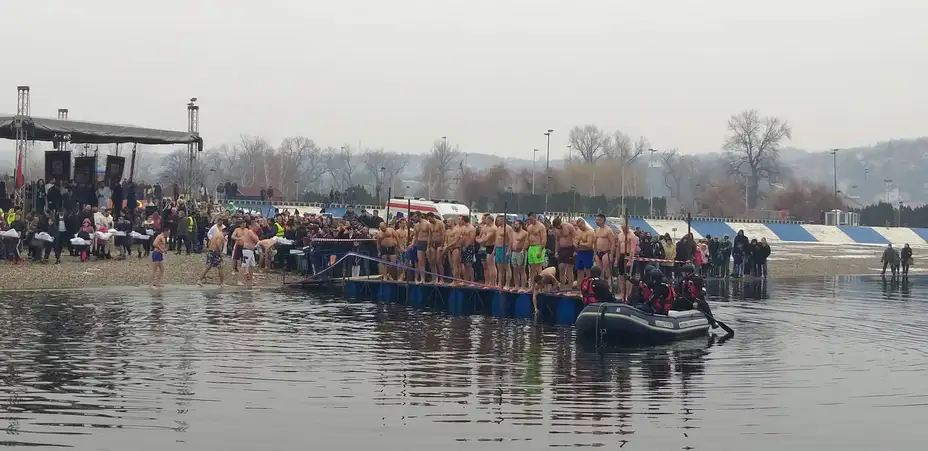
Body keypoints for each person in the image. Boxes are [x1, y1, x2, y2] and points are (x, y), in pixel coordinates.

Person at [674, 263, 718, 328]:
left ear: (688, 272)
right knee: (674, 303)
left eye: (684, 272)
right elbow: (678, 291)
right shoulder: (683, 280)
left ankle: (713, 322)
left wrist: (696, 300)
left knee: (703, 304)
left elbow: (703, 291)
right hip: (686, 301)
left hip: (695, 301)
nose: (682, 273)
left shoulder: (698, 279)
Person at [552, 217, 577, 287]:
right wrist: (556, 251)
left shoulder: (569, 226)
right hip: (562, 249)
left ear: (560, 223)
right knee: (561, 268)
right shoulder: (556, 230)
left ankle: (570, 287)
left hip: (570, 248)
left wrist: (575, 250)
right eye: (556, 227)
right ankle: (562, 287)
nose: (558, 228)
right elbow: (557, 241)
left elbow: (575, 238)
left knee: (569, 269)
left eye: (558, 226)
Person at [525, 213, 546, 283]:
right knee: (532, 268)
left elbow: (544, 239)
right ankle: (532, 286)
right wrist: (524, 249)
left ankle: (541, 285)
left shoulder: (541, 226)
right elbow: (527, 239)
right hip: (531, 248)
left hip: (538, 247)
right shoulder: (529, 227)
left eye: (531, 219)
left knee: (538, 268)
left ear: (535, 217)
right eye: (528, 219)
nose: (530, 221)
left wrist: (540, 250)